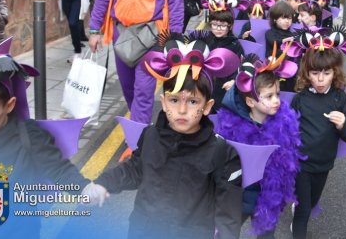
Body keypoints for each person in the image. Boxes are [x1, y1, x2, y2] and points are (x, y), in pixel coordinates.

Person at [84, 35, 243, 239]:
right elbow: (136, 169)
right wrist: (104, 182)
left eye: (193, 102)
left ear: (207, 107)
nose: (182, 110)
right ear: (164, 102)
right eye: (174, 100)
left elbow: (228, 215)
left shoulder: (222, 152)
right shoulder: (150, 135)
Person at [0, 53, 89, 238]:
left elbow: (58, 169)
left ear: (9, 105)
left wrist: (84, 188)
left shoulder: (28, 135)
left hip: (20, 232)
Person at [215, 53, 302, 238]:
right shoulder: (233, 127)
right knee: (227, 232)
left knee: (266, 235)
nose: (276, 100)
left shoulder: (284, 123)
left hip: (268, 196)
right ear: (250, 101)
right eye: (269, 96)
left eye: (277, 94)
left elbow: (288, 161)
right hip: (239, 196)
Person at [290, 35, 346, 239]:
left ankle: (301, 206)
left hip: (325, 164)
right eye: (315, 73)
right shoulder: (300, 99)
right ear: (307, 73)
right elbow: (288, 129)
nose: (320, 79)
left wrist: (343, 124)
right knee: (303, 211)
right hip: (302, 164)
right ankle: (298, 223)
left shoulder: (341, 99)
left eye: (326, 73)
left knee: (311, 202)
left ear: (334, 72)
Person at [204, 5, 245, 110]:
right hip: (205, 83)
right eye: (214, 24)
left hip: (223, 85)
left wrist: (233, 80)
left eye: (222, 25)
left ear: (230, 26)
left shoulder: (235, 44)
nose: (218, 29)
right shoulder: (205, 40)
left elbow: (240, 65)